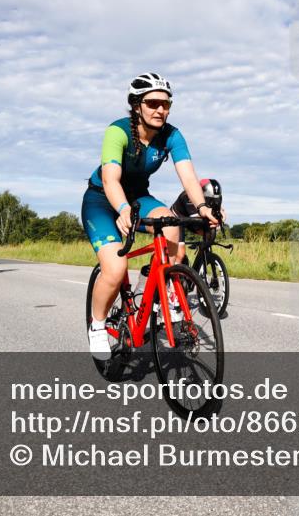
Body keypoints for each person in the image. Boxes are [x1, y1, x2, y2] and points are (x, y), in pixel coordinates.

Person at [82, 73, 219, 358]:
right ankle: (97, 326)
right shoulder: (117, 132)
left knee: (171, 225)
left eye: (166, 104)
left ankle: (153, 295)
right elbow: (110, 180)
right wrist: (122, 210)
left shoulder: (172, 135)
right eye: (153, 103)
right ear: (136, 106)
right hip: (102, 201)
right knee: (116, 268)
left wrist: (203, 208)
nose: (161, 110)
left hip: (138, 198)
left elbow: (189, 179)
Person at [170, 178, 226, 264]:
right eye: (209, 199)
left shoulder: (215, 198)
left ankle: (199, 261)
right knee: (180, 254)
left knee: (209, 232)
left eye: (213, 199)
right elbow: (197, 219)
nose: (212, 202)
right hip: (178, 218)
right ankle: (173, 274)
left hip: (193, 218)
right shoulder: (188, 196)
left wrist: (220, 219)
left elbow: (221, 212)